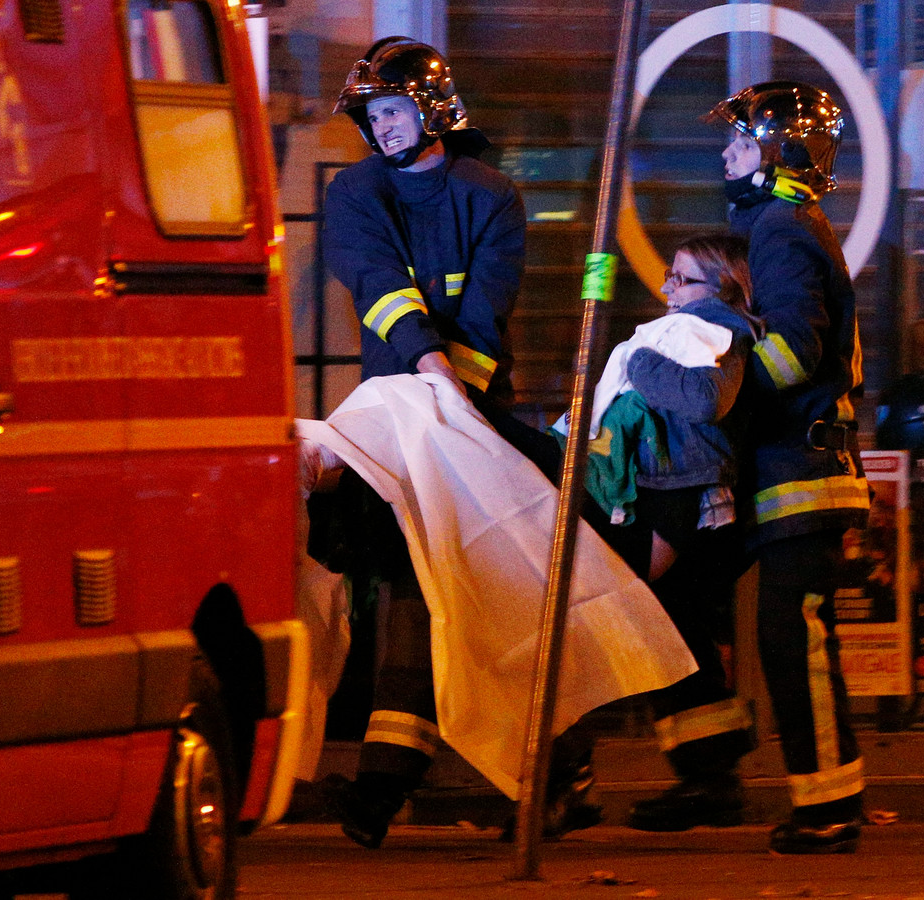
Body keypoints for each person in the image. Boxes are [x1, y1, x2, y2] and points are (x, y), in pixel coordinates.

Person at [314, 36, 593, 848]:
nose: (383, 127)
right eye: (373, 114)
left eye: (395, 109)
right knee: (409, 592)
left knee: (502, 600)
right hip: (399, 416)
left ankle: (557, 772)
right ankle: (381, 788)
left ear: (434, 108)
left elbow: (487, 313)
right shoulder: (357, 191)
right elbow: (378, 285)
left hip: (474, 415)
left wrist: (458, 396)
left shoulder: (491, 194)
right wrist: (431, 382)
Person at [696, 81, 872, 854]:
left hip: (802, 466)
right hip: (797, 464)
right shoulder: (790, 223)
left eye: (738, 144)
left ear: (775, 151)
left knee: (789, 635)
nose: (725, 158)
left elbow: (796, 349)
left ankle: (828, 807)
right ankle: (805, 791)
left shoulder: (779, 227)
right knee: (776, 629)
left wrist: (722, 396)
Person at [563, 234, 763, 830]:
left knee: (672, 640)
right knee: (675, 639)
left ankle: (710, 779)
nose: (666, 289)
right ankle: (711, 776)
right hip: (678, 508)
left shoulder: (714, 333)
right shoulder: (690, 331)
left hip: (690, 511)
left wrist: (637, 360)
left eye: (679, 278)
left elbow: (701, 402)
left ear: (720, 287)